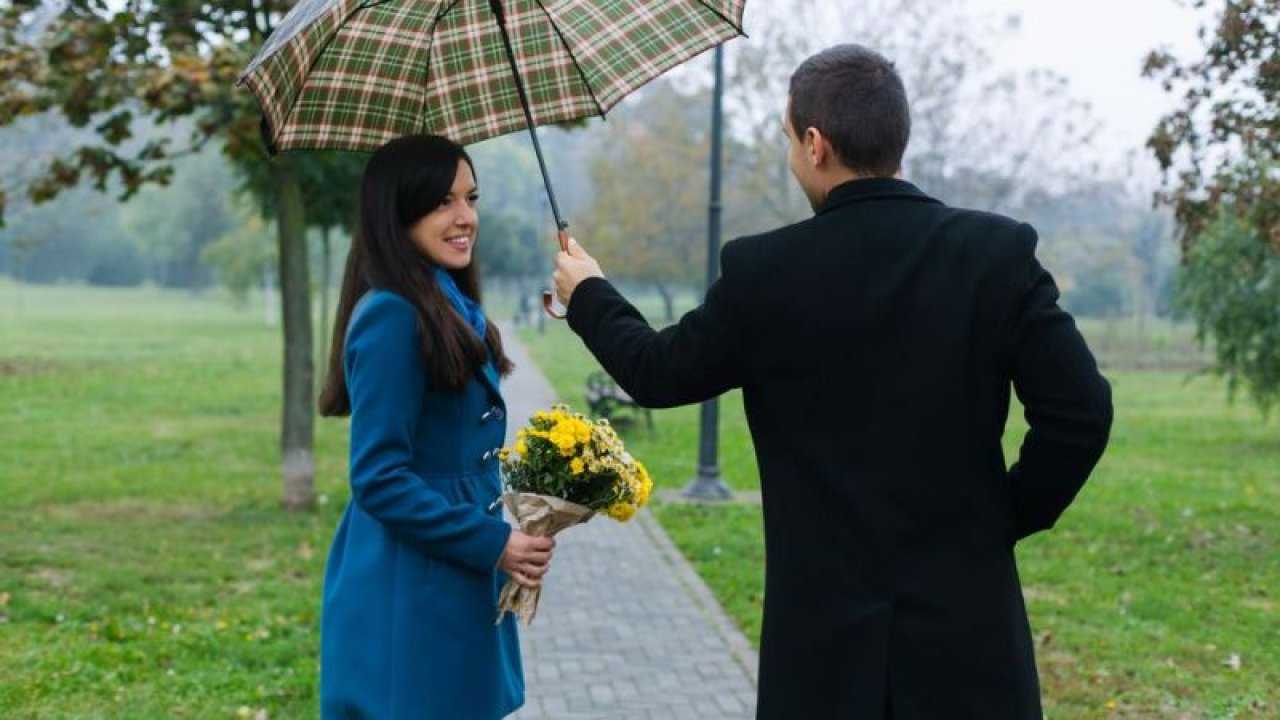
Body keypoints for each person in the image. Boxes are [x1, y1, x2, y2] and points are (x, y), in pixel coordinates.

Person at [553, 44, 1113, 719]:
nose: (793, 154)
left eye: (790, 139)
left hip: (822, 656)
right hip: (969, 644)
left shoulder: (765, 273)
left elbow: (655, 371)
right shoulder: (995, 254)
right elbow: (1080, 412)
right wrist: (1002, 518)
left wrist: (588, 293)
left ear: (815, 144)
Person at [316, 134, 554, 720]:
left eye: (471, 197)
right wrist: (495, 544)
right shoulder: (392, 316)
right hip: (409, 581)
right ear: (398, 212)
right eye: (442, 202)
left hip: (452, 568)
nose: (465, 217)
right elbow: (378, 477)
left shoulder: (448, 304)